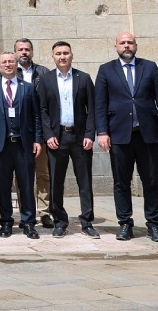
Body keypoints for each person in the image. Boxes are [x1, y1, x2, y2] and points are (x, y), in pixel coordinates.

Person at [94, 32, 158, 243]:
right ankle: (125, 224)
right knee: (121, 182)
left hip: (147, 135)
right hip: (119, 136)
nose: (127, 46)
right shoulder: (106, 70)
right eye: (123, 43)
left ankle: (154, 224)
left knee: (151, 181)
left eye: (130, 43)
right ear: (116, 46)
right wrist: (101, 132)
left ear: (136, 45)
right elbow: (99, 104)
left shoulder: (149, 67)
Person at [36, 41, 98, 238]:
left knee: (85, 181)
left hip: (80, 138)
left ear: (72, 55)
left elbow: (92, 110)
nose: (62, 56)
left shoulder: (84, 78)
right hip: (57, 137)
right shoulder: (45, 80)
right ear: (53, 57)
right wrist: (48, 135)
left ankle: (87, 221)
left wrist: (90, 135)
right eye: (58, 53)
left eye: (65, 53)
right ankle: (60, 220)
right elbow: (42, 111)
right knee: (56, 181)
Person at [0, 52, 42, 239]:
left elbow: (36, 116)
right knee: (3, 186)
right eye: (4, 62)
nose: (8, 64)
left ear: (16, 64)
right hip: (1, 147)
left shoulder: (28, 88)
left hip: (24, 144)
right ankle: (6, 222)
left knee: (26, 185)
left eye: (11, 61)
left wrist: (37, 140)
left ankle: (28, 222)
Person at [14, 38, 53, 229]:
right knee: (22, 176)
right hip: (19, 132)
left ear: (32, 51)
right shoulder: (12, 73)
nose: (24, 52)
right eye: (20, 49)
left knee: (43, 174)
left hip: (40, 131)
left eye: (27, 49)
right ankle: (25, 213)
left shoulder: (43, 73)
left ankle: (45, 212)